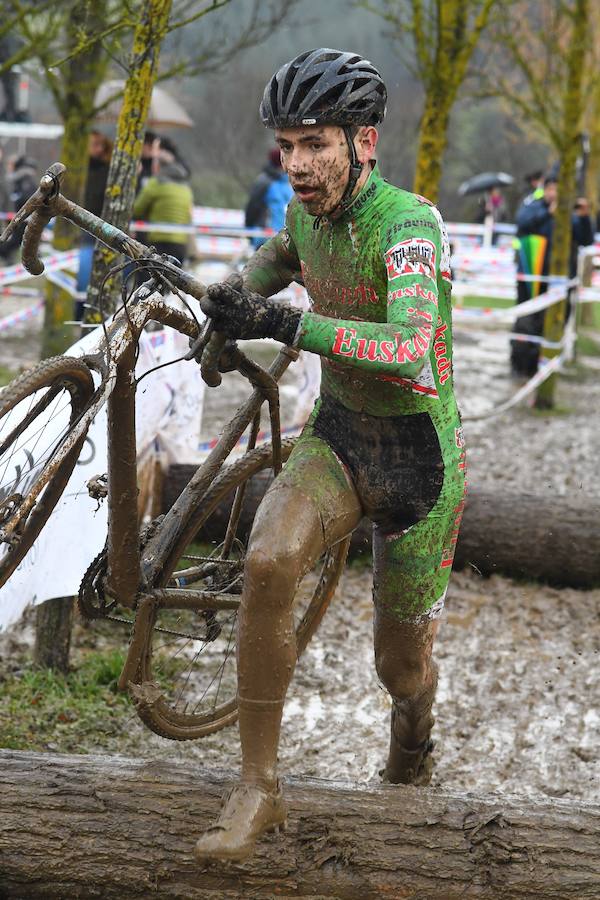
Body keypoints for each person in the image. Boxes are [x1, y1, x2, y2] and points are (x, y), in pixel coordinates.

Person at [193, 48, 466, 864]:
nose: (298, 165)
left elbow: (410, 345)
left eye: (315, 144)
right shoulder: (305, 212)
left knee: (400, 665)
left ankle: (413, 736)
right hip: (342, 435)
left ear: (364, 142)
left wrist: (288, 326)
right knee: (270, 560)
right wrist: (233, 300)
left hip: (420, 459)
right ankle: (258, 787)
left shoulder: (406, 223)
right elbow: (279, 258)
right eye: (287, 146)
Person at [510, 174, 593, 377]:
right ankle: (521, 366)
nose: (554, 194)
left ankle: (547, 367)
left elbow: (586, 240)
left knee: (556, 322)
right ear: (545, 190)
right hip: (532, 280)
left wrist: (584, 218)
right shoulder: (533, 206)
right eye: (551, 189)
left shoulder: (571, 214)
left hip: (560, 282)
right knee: (527, 323)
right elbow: (522, 223)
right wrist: (547, 213)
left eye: (559, 190)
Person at [132, 139, 194, 267]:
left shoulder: (156, 183)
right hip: (180, 243)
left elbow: (137, 209)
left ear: (158, 166)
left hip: (159, 241)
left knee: (148, 282)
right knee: (171, 283)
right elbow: (189, 214)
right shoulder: (185, 186)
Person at [75, 130, 113, 317]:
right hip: (78, 224)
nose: (97, 149)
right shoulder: (78, 169)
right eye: (93, 144)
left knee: (90, 269)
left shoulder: (106, 171)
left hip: (97, 225)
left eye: (99, 145)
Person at [245, 147, 293, 249]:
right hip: (264, 238)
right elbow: (252, 209)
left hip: (287, 241)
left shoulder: (290, 182)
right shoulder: (263, 182)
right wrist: (250, 234)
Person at [0, 154, 37, 263]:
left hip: (22, 217)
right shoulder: (14, 179)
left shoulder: (24, 180)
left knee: (15, 242)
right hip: (13, 216)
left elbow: (27, 198)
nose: (8, 167)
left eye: (10, 164)